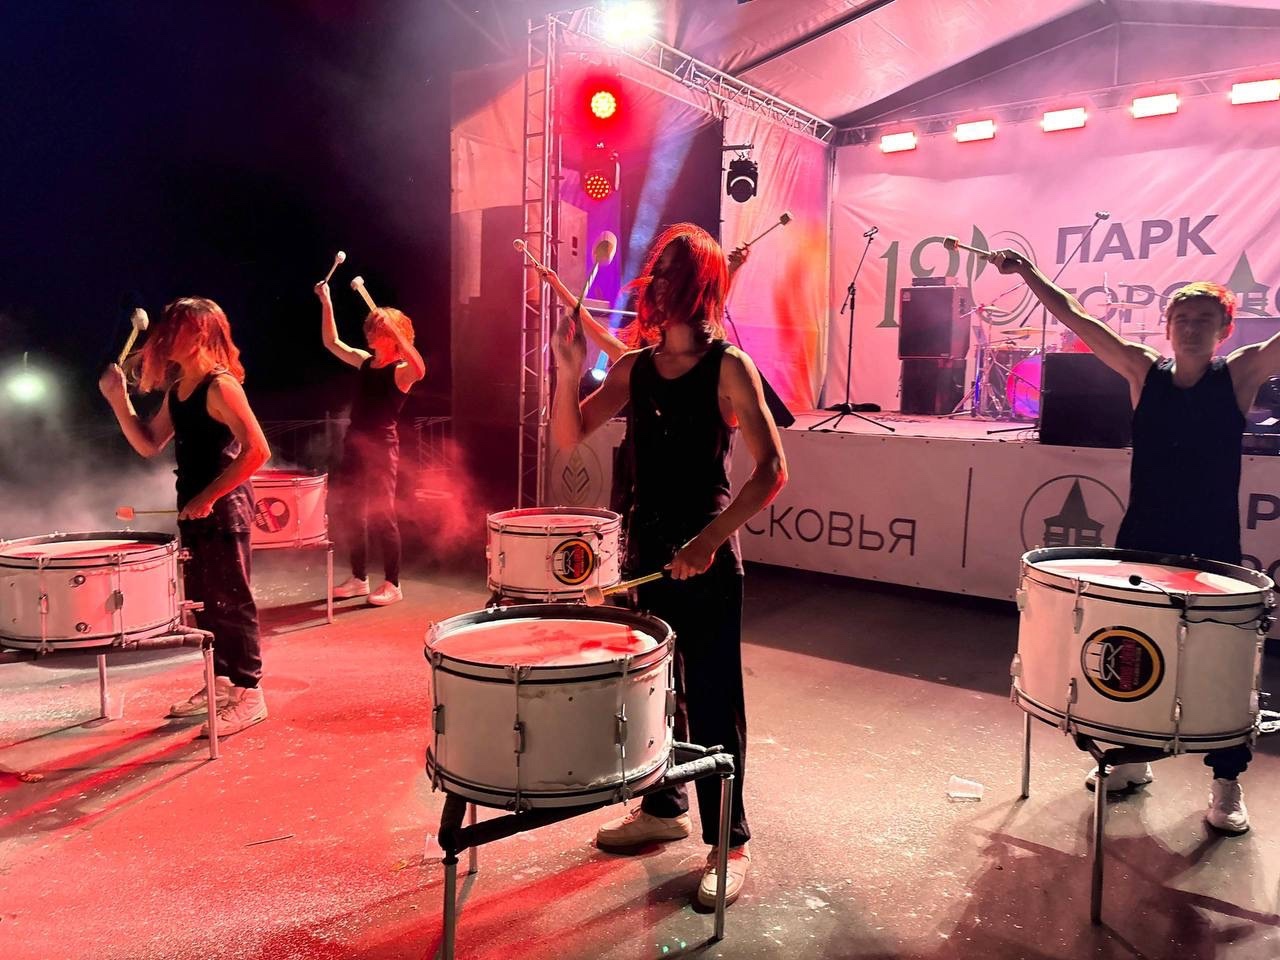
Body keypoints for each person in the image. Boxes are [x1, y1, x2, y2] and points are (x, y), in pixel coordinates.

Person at [991, 250, 1280, 834]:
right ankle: (1132, 760)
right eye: (1182, 319)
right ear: (1167, 328)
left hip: (1211, 539)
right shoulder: (1143, 370)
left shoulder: (1240, 373)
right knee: (1131, 646)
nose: (1192, 329)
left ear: (1224, 330)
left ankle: (1226, 782)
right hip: (1144, 535)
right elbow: (1077, 317)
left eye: (1204, 321)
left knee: (1223, 662)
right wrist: (1027, 274)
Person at [545, 223, 787, 908]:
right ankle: (663, 808)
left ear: (701, 288)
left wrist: (709, 541)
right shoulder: (634, 367)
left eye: (676, 276)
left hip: (706, 556)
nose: (661, 286)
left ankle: (729, 842)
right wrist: (566, 372)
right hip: (647, 549)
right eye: (660, 274)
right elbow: (569, 434)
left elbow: (772, 470)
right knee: (653, 692)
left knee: (712, 700)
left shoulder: (729, 368)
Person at [99, 297, 271, 736]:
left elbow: (257, 451)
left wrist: (210, 496)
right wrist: (119, 401)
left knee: (232, 601)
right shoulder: (179, 388)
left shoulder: (220, 386)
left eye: (175, 328)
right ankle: (221, 682)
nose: (164, 336)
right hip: (195, 507)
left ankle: (249, 693)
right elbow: (148, 443)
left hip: (225, 508)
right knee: (203, 601)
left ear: (199, 333)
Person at [315, 282, 426, 606]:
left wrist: (400, 333)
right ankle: (359, 579)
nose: (369, 334)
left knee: (383, 515)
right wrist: (326, 301)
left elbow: (420, 369)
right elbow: (331, 342)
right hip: (355, 444)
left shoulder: (400, 372)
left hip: (381, 449)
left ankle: (393, 583)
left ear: (392, 336)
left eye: (377, 329)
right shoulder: (364, 361)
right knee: (353, 512)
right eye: (371, 328)